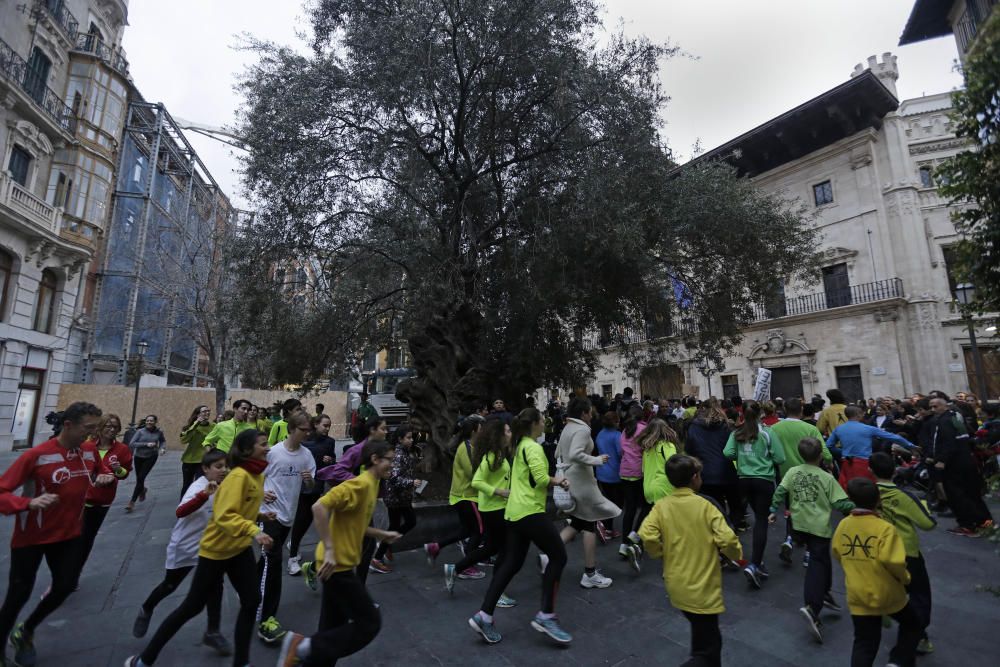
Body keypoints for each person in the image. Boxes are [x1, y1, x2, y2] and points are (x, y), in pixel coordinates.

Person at [125, 429, 276, 667]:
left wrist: (260, 516)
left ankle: (241, 661)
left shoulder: (256, 476)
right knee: (191, 607)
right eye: (263, 444)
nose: (268, 447)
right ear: (247, 450)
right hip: (214, 552)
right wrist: (255, 530)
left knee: (251, 600)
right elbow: (224, 516)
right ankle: (145, 659)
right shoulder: (238, 477)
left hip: (239, 549)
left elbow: (239, 508)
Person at [0, 402, 112, 667]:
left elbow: (99, 470)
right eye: (88, 428)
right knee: (18, 594)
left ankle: (26, 631)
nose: (92, 434)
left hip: (70, 533)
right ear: (68, 425)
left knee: (64, 586)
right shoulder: (36, 455)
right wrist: (27, 504)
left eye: (96, 428)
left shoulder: (88, 450)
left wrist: (105, 476)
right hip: (32, 537)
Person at [276, 439, 400, 667]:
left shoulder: (372, 484)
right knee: (370, 622)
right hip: (336, 566)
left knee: (332, 629)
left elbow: (356, 523)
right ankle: (302, 647)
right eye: (389, 460)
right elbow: (319, 507)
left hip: (339, 565)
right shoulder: (359, 485)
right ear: (375, 459)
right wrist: (331, 549)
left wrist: (381, 533)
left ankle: (309, 657)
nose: (392, 465)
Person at [469, 408, 572, 645]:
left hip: (514, 512)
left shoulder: (520, 446)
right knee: (558, 557)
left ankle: (484, 615)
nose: (545, 422)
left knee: (511, 564)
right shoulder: (532, 447)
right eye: (542, 419)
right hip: (530, 512)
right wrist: (560, 481)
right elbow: (541, 478)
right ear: (535, 423)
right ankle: (546, 615)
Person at [638, 455, 742, 667]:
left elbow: (646, 533)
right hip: (703, 588)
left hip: (676, 583)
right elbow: (728, 538)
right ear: (695, 477)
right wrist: (734, 555)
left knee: (703, 635)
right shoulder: (706, 506)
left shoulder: (662, 506)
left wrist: (659, 552)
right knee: (709, 651)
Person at [132, 449, 233, 657]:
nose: (223, 470)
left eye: (226, 466)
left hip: (210, 548)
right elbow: (180, 511)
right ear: (205, 469)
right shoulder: (198, 487)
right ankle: (147, 607)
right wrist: (204, 495)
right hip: (185, 547)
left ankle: (213, 631)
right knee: (170, 585)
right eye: (218, 467)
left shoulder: (226, 486)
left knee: (216, 587)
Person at [768, 437, 854, 643]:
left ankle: (825, 592)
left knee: (822, 559)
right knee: (817, 562)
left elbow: (780, 491)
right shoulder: (826, 478)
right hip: (818, 528)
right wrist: (859, 508)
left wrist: (773, 510)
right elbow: (841, 503)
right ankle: (812, 606)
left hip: (799, 525)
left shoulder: (792, 472)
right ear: (820, 455)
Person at [833, 478, 925, 667]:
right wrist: (906, 578)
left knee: (864, 643)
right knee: (913, 625)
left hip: (857, 594)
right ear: (878, 501)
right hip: (888, 593)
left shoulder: (843, 525)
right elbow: (894, 561)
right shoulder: (885, 528)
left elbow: (837, 552)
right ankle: (898, 661)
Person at [256, 411, 317, 644]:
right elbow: (254, 478)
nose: (307, 433)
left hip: (287, 517)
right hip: (269, 515)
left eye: (309, 429)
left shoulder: (306, 455)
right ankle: (265, 619)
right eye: (304, 429)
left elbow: (310, 484)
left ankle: (250, 591)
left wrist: (308, 480)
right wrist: (262, 491)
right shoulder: (272, 453)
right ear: (291, 429)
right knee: (272, 566)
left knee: (264, 562)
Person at [547, 396, 619, 589]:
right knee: (589, 523)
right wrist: (597, 460)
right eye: (590, 411)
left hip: (571, 480)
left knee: (580, 522)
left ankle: (549, 555)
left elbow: (559, 454)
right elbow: (575, 454)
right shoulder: (582, 429)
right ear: (584, 413)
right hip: (582, 482)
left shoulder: (568, 427)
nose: (592, 414)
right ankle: (590, 573)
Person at [869, 452, 937, 655]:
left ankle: (886, 609)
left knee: (891, 587)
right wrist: (923, 505)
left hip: (878, 551)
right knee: (919, 595)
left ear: (870, 471)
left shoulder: (867, 492)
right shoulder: (904, 496)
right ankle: (919, 636)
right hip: (906, 553)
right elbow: (928, 523)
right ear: (895, 470)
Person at [445, 420, 516, 607]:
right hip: (494, 509)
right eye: (508, 430)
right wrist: (500, 492)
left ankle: (456, 568)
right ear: (498, 435)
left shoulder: (499, 453)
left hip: (495, 507)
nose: (511, 433)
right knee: (505, 551)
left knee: (492, 548)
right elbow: (477, 481)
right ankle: (497, 592)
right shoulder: (492, 456)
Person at [723, 400, 785, 589]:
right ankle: (755, 563)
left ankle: (755, 561)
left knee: (753, 515)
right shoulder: (767, 432)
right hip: (764, 480)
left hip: (744, 480)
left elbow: (727, 453)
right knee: (761, 520)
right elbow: (780, 458)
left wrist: (742, 458)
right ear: (760, 415)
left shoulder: (737, 433)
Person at [769, 397, 833, 563]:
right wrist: (830, 462)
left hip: (786, 474)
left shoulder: (775, 428)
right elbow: (825, 452)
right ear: (802, 411)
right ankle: (808, 551)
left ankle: (789, 538)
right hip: (810, 473)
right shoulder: (809, 427)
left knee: (791, 507)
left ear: (784, 410)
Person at [424, 414, 487, 576]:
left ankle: (435, 547)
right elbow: (473, 474)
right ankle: (466, 566)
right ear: (474, 430)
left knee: (466, 530)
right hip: (467, 496)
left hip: (467, 496)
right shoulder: (465, 448)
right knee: (478, 531)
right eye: (482, 427)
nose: (484, 430)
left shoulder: (473, 446)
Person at [925, 395, 994, 535]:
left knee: (958, 496)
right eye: (930, 406)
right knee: (972, 494)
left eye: (935, 406)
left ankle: (969, 525)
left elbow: (948, 442)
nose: (933, 409)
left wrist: (941, 460)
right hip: (966, 461)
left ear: (945, 406)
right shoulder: (955, 417)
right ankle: (985, 522)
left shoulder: (943, 421)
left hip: (954, 464)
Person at [77, 413, 133, 583]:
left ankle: (74, 574)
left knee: (86, 539)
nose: (111, 429)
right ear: (100, 427)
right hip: (78, 498)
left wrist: (117, 470)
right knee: (70, 538)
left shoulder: (122, 449)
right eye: (108, 425)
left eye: (115, 426)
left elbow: (125, 474)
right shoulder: (85, 446)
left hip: (100, 500)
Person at [288, 413, 338, 575]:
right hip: (303, 487)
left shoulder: (330, 442)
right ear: (315, 425)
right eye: (324, 425)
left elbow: (333, 461)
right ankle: (292, 557)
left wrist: (330, 461)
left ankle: (293, 544)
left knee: (308, 519)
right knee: (301, 520)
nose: (327, 428)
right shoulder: (304, 442)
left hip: (318, 486)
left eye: (329, 425)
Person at [370, 424, 423, 572]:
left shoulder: (405, 452)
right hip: (396, 498)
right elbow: (393, 478)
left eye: (412, 437)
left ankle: (386, 545)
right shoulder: (398, 455)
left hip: (401, 497)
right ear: (400, 439)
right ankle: (378, 556)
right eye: (408, 438)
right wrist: (411, 482)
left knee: (397, 524)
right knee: (409, 522)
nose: (411, 440)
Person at [827, 405, 916, 489]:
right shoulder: (867, 428)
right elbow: (893, 437)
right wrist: (911, 445)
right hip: (864, 463)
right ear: (858, 414)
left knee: (848, 488)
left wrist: (842, 452)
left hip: (846, 462)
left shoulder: (839, 429)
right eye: (862, 413)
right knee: (867, 488)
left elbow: (829, 445)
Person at [685, 398, 741, 529]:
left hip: (704, 474)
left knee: (713, 508)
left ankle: (718, 533)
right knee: (735, 507)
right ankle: (729, 530)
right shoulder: (727, 426)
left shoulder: (694, 427)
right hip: (727, 473)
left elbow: (689, 450)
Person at [618, 403, 647, 570]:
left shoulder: (624, 431)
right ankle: (634, 535)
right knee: (645, 505)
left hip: (625, 472)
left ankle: (623, 544)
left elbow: (622, 451)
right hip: (639, 472)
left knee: (629, 509)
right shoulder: (643, 429)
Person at [127, 414, 166, 512]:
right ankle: (142, 489)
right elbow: (132, 444)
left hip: (151, 457)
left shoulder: (159, 432)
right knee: (139, 478)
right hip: (139, 457)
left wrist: (162, 449)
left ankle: (132, 502)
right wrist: (146, 444)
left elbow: (162, 441)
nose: (149, 422)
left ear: (155, 422)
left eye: (151, 421)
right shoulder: (140, 432)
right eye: (148, 421)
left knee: (141, 477)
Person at [595, 411, 623, 537]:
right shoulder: (617, 435)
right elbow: (620, 453)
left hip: (601, 471)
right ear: (615, 422)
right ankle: (607, 528)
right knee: (614, 503)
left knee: (607, 498)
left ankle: (605, 524)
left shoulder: (600, 434)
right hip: (614, 472)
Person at [639, 417, 679, 507]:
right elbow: (675, 467)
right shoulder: (667, 446)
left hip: (648, 488)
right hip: (664, 488)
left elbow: (643, 470)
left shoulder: (647, 449)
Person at [179, 405, 213, 498]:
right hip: (189, 460)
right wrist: (196, 424)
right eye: (204, 411)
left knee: (200, 485)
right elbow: (184, 440)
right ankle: (183, 506)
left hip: (203, 461)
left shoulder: (213, 426)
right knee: (187, 485)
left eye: (208, 410)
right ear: (198, 414)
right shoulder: (190, 427)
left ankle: (196, 507)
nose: (207, 413)